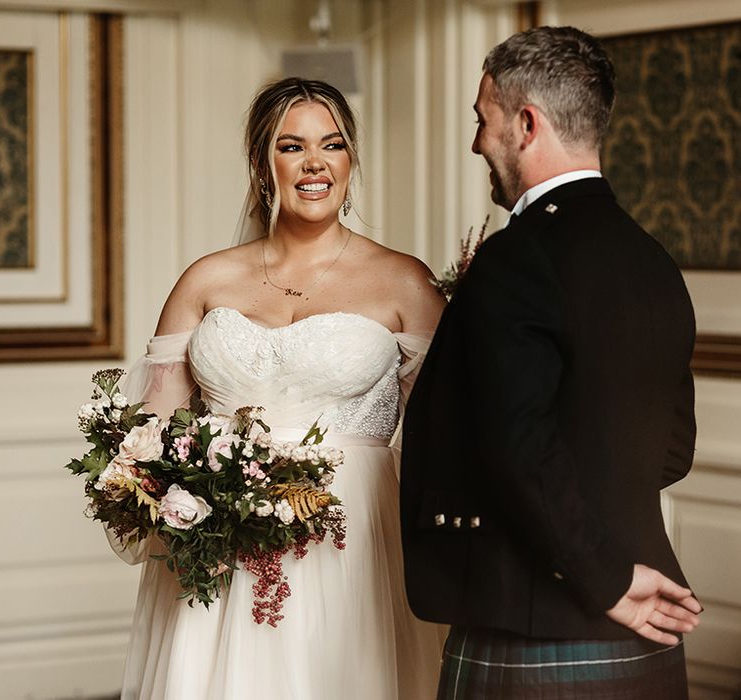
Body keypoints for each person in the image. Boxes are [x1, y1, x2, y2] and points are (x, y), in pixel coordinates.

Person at [114, 77, 446, 699]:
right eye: (291, 146)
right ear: (263, 166)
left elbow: (450, 435)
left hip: (353, 547)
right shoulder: (206, 280)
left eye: (334, 144)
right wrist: (176, 495)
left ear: (352, 161)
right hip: (222, 552)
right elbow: (149, 437)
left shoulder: (404, 283)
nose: (315, 163)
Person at [400, 25, 702, 699]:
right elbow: (672, 451)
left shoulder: (518, 257)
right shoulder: (653, 262)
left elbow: (517, 446)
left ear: (526, 123)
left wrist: (607, 579)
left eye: (484, 121)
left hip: (539, 619)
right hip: (642, 625)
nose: (478, 142)